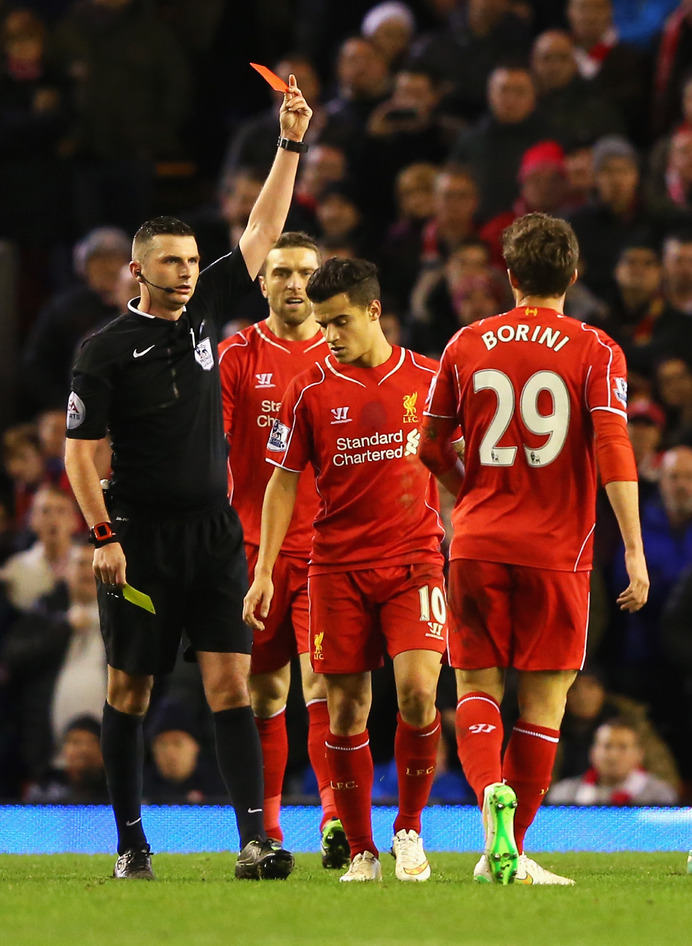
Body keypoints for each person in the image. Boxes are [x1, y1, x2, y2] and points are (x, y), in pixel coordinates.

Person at [63, 75, 313, 881]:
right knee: (130, 692)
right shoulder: (102, 350)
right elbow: (77, 453)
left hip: (213, 534)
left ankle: (254, 839)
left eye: (191, 261)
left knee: (231, 683)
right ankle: (132, 844)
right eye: (169, 263)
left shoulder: (206, 309)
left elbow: (265, 226)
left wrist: (290, 143)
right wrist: (101, 537)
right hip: (136, 537)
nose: (184, 271)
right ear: (137, 272)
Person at [420, 212, 649, 886]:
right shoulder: (597, 350)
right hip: (557, 553)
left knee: (477, 692)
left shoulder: (467, 343)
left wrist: (473, 492)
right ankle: (511, 852)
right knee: (544, 707)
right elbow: (613, 450)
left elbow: (430, 445)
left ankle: (488, 795)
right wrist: (633, 550)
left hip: (479, 543)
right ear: (573, 277)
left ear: (511, 276)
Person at [243, 257, 451, 883]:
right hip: (334, 567)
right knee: (345, 712)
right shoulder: (307, 388)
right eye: (321, 323)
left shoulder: (431, 379)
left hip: (415, 561)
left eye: (339, 322)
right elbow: (281, 484)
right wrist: (264, 572)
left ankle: (410, 830)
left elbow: (455, 460)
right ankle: (362, 849)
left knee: (418, 693)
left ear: (373, 311)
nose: (329, 335)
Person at [217, 231, 347, 867]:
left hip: (329, 550)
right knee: (263, 693)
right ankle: (265, 829)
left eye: (305, 274)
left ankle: (333, 820)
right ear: (262, 282)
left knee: (323, 683)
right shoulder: (238, 354)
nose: (295, 285)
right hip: (251, 548)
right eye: (283, 274)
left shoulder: (345, 353)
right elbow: (212, 452)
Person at [546, 718, 679, 805]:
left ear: (639, 754)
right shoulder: (563, 793)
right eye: (607, 746)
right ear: (592, 753)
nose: (613, 756)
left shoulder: (659, 795)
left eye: (623, 747)